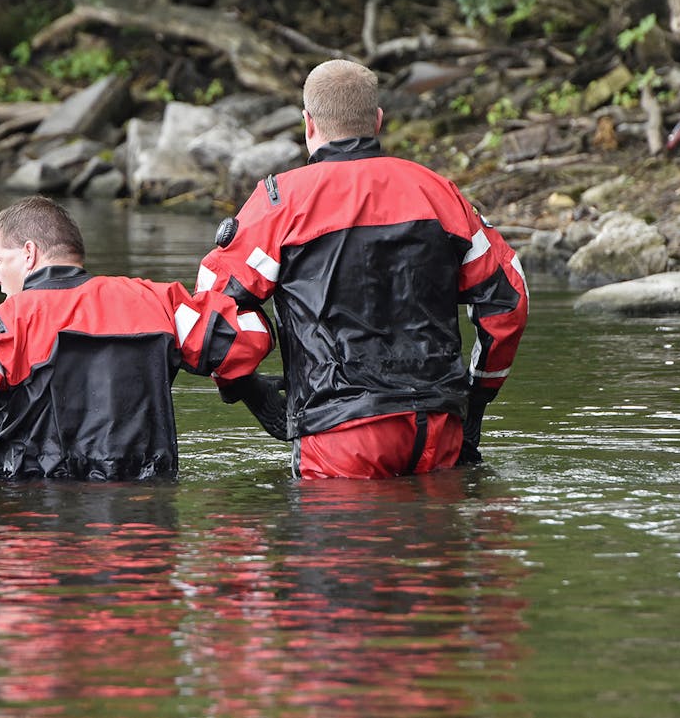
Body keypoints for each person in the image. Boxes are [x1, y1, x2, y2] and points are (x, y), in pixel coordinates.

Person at [196, 59, 529, 479]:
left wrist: (244, 388)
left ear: (308, 123)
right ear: (378, 120)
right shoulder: (439, 193)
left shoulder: (280, 203)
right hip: (438, 429)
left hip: (337, 435)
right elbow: (509, 302)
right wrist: (476, 400)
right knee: (439, 540)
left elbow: (210, 308)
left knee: (347, 538)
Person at [0, 195, 275, 480]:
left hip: (35, 522)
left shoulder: (7, 324)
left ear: (29, 254)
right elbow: (249, 339)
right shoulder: (159, 302)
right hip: (146, 518)